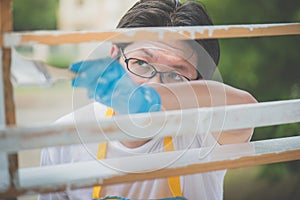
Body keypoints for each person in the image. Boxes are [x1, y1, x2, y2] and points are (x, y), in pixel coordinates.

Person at [39, 0, 257, 199]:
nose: (154, 83)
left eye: (175, 75)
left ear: (199, 82)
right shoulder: (65, 138)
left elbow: (247, 112)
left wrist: (147, 98)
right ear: (115, 54)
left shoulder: (202, 133)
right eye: (141, 64)